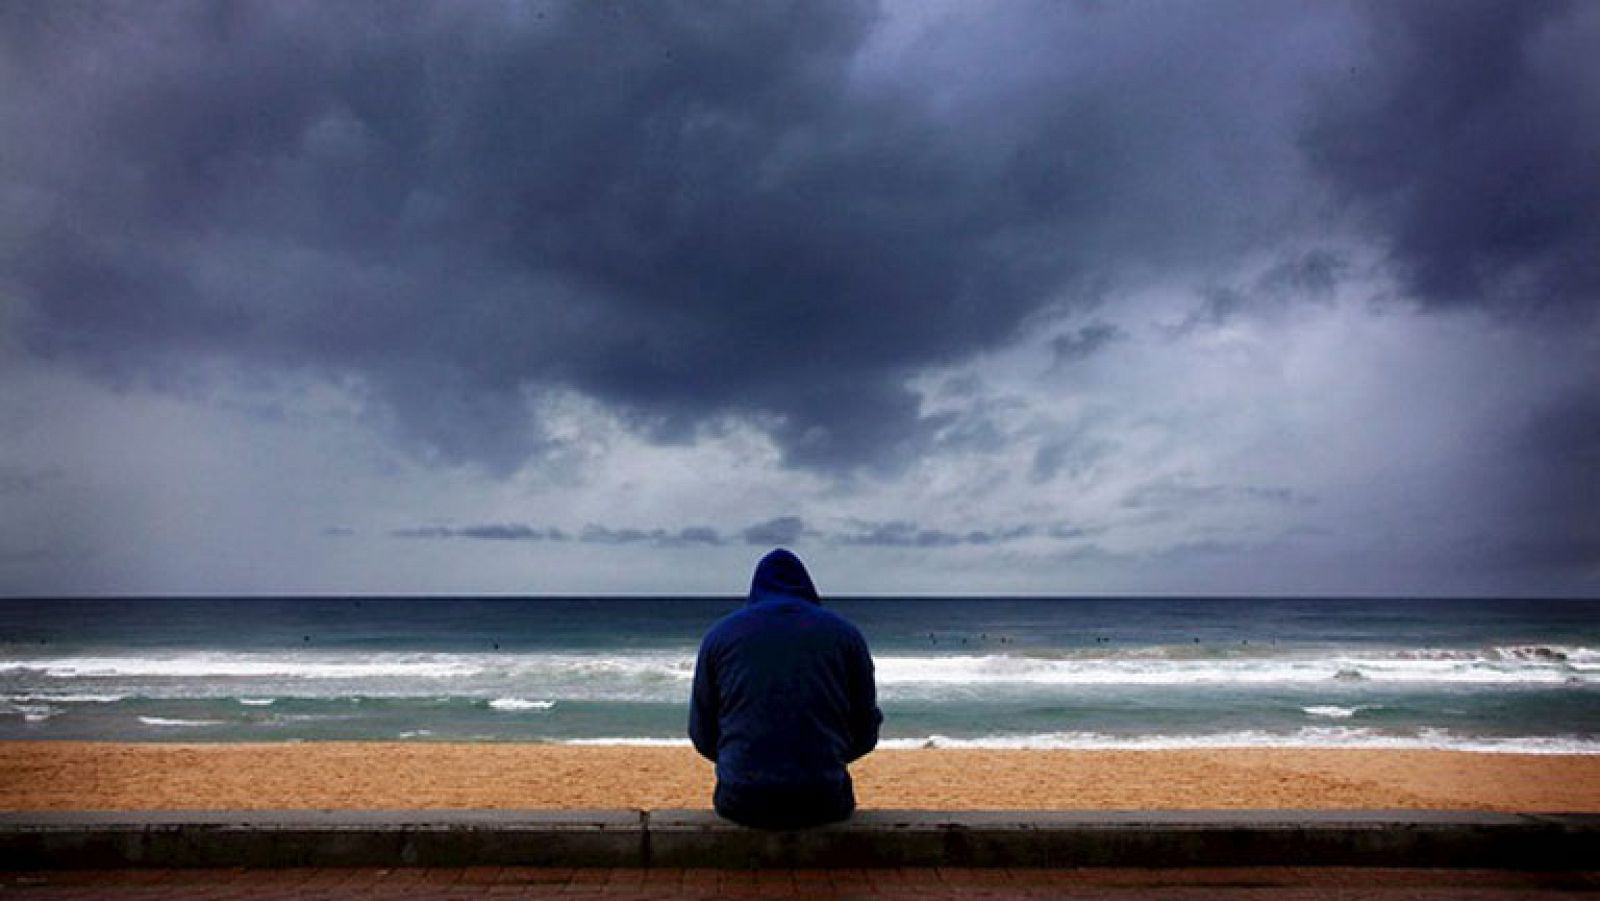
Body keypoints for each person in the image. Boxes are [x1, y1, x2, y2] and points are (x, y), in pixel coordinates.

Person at [689, 548, 882, 829]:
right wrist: (828, 760)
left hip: (742, 799)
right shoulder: (845, 634)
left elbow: (701, 731)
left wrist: (741, 763)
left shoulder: (719, 635)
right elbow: (865, 727)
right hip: (823, 798)